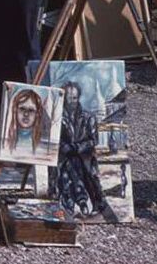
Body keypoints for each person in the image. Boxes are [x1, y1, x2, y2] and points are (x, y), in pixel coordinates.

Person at [55, 81, 104, 217]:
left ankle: (93, 202)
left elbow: (94, 140)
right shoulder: (58, 118)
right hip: (66, 156)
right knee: (65, 173)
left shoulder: (88, 118)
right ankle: (73, 204)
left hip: (84, 155)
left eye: (74, 98)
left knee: (87, 174)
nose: (72, 102)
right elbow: (55, 139)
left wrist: (77, 147)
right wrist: (64, 147)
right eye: (69, 98)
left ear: (79, 98)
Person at [5, 87, 50, 157]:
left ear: (37, 114)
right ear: (15, 110)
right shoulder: (6, 141)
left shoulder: (43, 144)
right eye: (22, 109)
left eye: (31, 110)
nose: (26, 114)